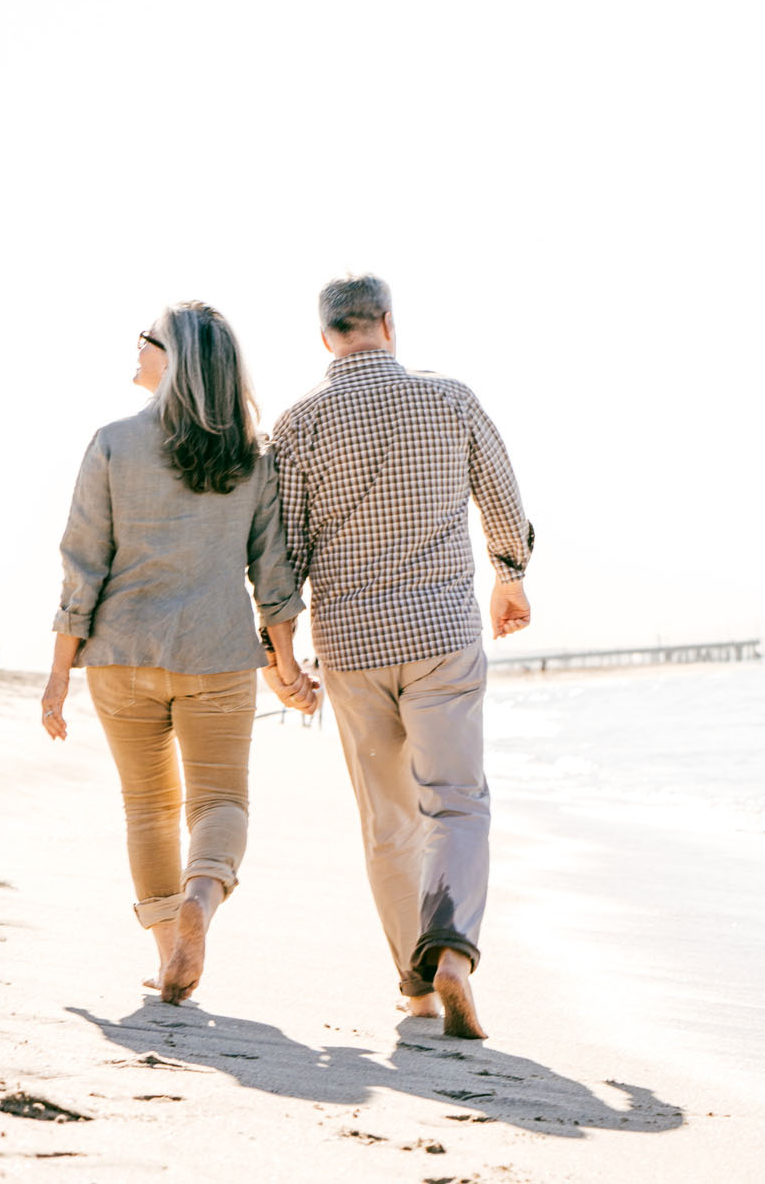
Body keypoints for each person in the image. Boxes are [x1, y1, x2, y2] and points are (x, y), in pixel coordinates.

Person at [270, 273, 533, 1039]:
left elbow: (279, 554)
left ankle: (415, 988)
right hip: (441, 635)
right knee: (455, 799)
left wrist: (280, 656)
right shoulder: (449, 398)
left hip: (350, 646)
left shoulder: (297, 426)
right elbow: (502, 495)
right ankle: (452, 949)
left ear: (326, 337)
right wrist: (509, 576)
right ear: (389, 323)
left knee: (387, 820)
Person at [40, 302, 320, 1005]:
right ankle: (203, 894)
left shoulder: (110, 443)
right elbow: (273, 575)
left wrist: (55, 677)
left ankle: (170, 950)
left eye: (146, 340)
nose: (135, 350)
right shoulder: (252, 457)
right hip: (219, 653)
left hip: (120, 652)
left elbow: (83, 567)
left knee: (147, 807)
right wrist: (286, 666)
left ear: (176, 358)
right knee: (220, 800)